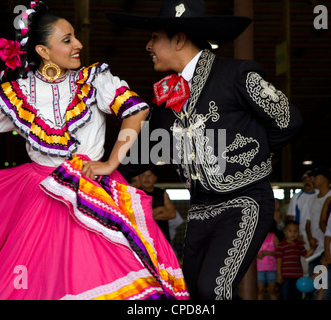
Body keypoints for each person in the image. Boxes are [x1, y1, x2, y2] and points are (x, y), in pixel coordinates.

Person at [0, 1, 188, 300]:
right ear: (43, 52)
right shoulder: (15, 95)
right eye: (67, 40)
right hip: (38, 198)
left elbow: (135, 110)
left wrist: (112, 162)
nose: (78, 44)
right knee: (38, 284)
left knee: (110, 278)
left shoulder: (93, 80)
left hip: (91, 190)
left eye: (74, 36)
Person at [106, 0, 303, 300]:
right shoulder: (165, 98)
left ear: (179, 39)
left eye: (154, 38)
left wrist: (249, 158)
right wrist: (87, 174)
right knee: (194, 294)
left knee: (215, 289)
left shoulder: (237, 75)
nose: (148, 46)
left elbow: (288, 120)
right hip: (198, 212)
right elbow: (140, 155)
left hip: (245, 202)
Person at [276, 220, 314, 300]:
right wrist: (279, 274)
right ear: (285, 232)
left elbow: (306, 254)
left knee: (297, 296)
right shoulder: (281, 245)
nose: (293, 234)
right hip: (285, 276)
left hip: (297, 276)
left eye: (295, 231)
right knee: (285, 296)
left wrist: (314, 248)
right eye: (290, 231)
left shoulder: (299, 244)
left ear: (298, 233)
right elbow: (279, 260)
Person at [140, 168, 177, 242]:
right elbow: (138, 217)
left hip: (162, 238)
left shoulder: (162, 193)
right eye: (144, 175)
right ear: (139, 178)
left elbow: (172, 214)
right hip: (144, 239)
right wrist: (160, 209)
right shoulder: (135, 193)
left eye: (150, 175)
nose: (147, 178)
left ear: (155, 178)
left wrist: (150, 216)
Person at [256, 228, 279, 300]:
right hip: (259, 269)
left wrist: (268, 253)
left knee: (272, 290)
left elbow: (279, 252)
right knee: (260, 291)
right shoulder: (256, 237)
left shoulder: (273, 237)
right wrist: (257, 255)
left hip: (272, 269)